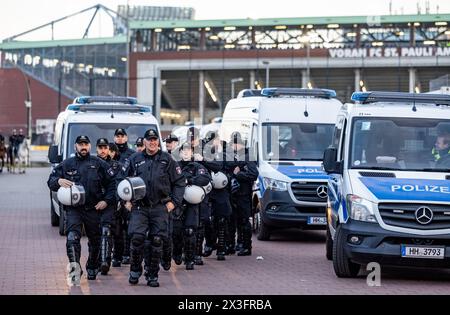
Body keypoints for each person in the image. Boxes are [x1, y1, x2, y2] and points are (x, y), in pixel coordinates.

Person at [120, 128, 185, 287]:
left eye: (155, 139)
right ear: (144, 141)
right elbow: (121, 181)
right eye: (149, 140)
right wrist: (125, 201)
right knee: (137, 238)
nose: (152, 142)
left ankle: (152, 275)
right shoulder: (134, 159)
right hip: (139, 207)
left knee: (157, 241)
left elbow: (179, 182)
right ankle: (135, 269)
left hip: (160, 207)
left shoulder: (167, 160)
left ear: (158, 141)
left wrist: (174, 202)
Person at [47, 135, 115, 282]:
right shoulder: (67, 164)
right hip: (74, 210)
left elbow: (113, 183)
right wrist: (58, 181)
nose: (83, 147)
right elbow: (50, 181)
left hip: (94, 209)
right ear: (75, 146)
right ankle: (75, 269)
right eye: (80, 144)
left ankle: (92, 266)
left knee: (95, 241)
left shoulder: (99, 164)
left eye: (86, 144)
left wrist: (106, 201)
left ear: (90, 146)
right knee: (72, 238)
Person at [172, 142, 211, 270]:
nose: (186, 153)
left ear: (192, 153)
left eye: (189, 150)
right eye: (184, 150)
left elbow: (205, 179)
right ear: (180, 152)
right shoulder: (174, 166)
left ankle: (190, 259)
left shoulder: (196, 166)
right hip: (177, 203)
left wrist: (190, 181)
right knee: (176, 231)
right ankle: (177, 253)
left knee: (190, 231)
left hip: (191, 204)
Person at [228, 132, 259, 256]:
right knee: (233, 220)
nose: (232, 146)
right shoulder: (231, 156)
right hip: (233, 193)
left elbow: (253, 174)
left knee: (244, 220)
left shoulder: (248, 156)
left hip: (244, 194)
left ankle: (246, 246)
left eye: (234, 144)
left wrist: (238, 175)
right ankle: (238, 243)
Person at [96, 138, 122, 275]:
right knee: (94, 234)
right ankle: (95, 262)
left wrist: (107, 200)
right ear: (96, 149)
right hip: (92, 205)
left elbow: (118, 185)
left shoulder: (116, 166)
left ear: (108, 149)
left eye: (105, 147)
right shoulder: (91, 163)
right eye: (100, 147)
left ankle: (105, 261)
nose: (102, 150)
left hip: (109, 203)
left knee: (107, 230)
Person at [113, 128, 135, 266]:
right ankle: (117, 256)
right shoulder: (111, 153)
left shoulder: (132, 155)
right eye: (117, 136)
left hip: (128, 197)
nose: (120, 138)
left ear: (126, 138)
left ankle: (127, 254)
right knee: (116, 229)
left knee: (128, 227)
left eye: (122, 136)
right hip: (115, 197)